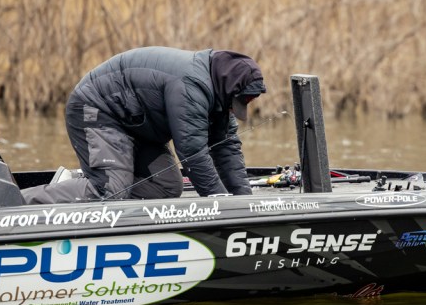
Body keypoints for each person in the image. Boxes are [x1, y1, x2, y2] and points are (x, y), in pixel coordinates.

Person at [22, 46, 266, 204]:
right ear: (229, 87)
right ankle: (19, 201)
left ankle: (85, 185)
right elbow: (192, 153)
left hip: (137, 126)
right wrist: (220, 202)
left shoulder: (220, 95)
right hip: (98, 109)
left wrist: (244, 203)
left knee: (167, 186)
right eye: (237, 103)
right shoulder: (190, 85)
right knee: (109, 191)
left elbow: (227, 149)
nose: (234, 110)